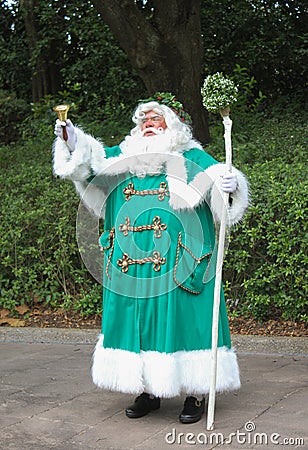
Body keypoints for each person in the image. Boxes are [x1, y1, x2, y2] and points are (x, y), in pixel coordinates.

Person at [53, 93, 249, 424]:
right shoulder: (123, 157)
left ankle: (195, 392)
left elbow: (219, 184)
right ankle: (148, 390)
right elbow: (90, 169)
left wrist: (230, 184)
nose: (148, 125)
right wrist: (74, 144)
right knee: (140, 322)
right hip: (131, 264)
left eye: (155, 119)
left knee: (187, 321)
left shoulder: (191, 156)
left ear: (173, 126)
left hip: (180, 262)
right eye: (143, 121)